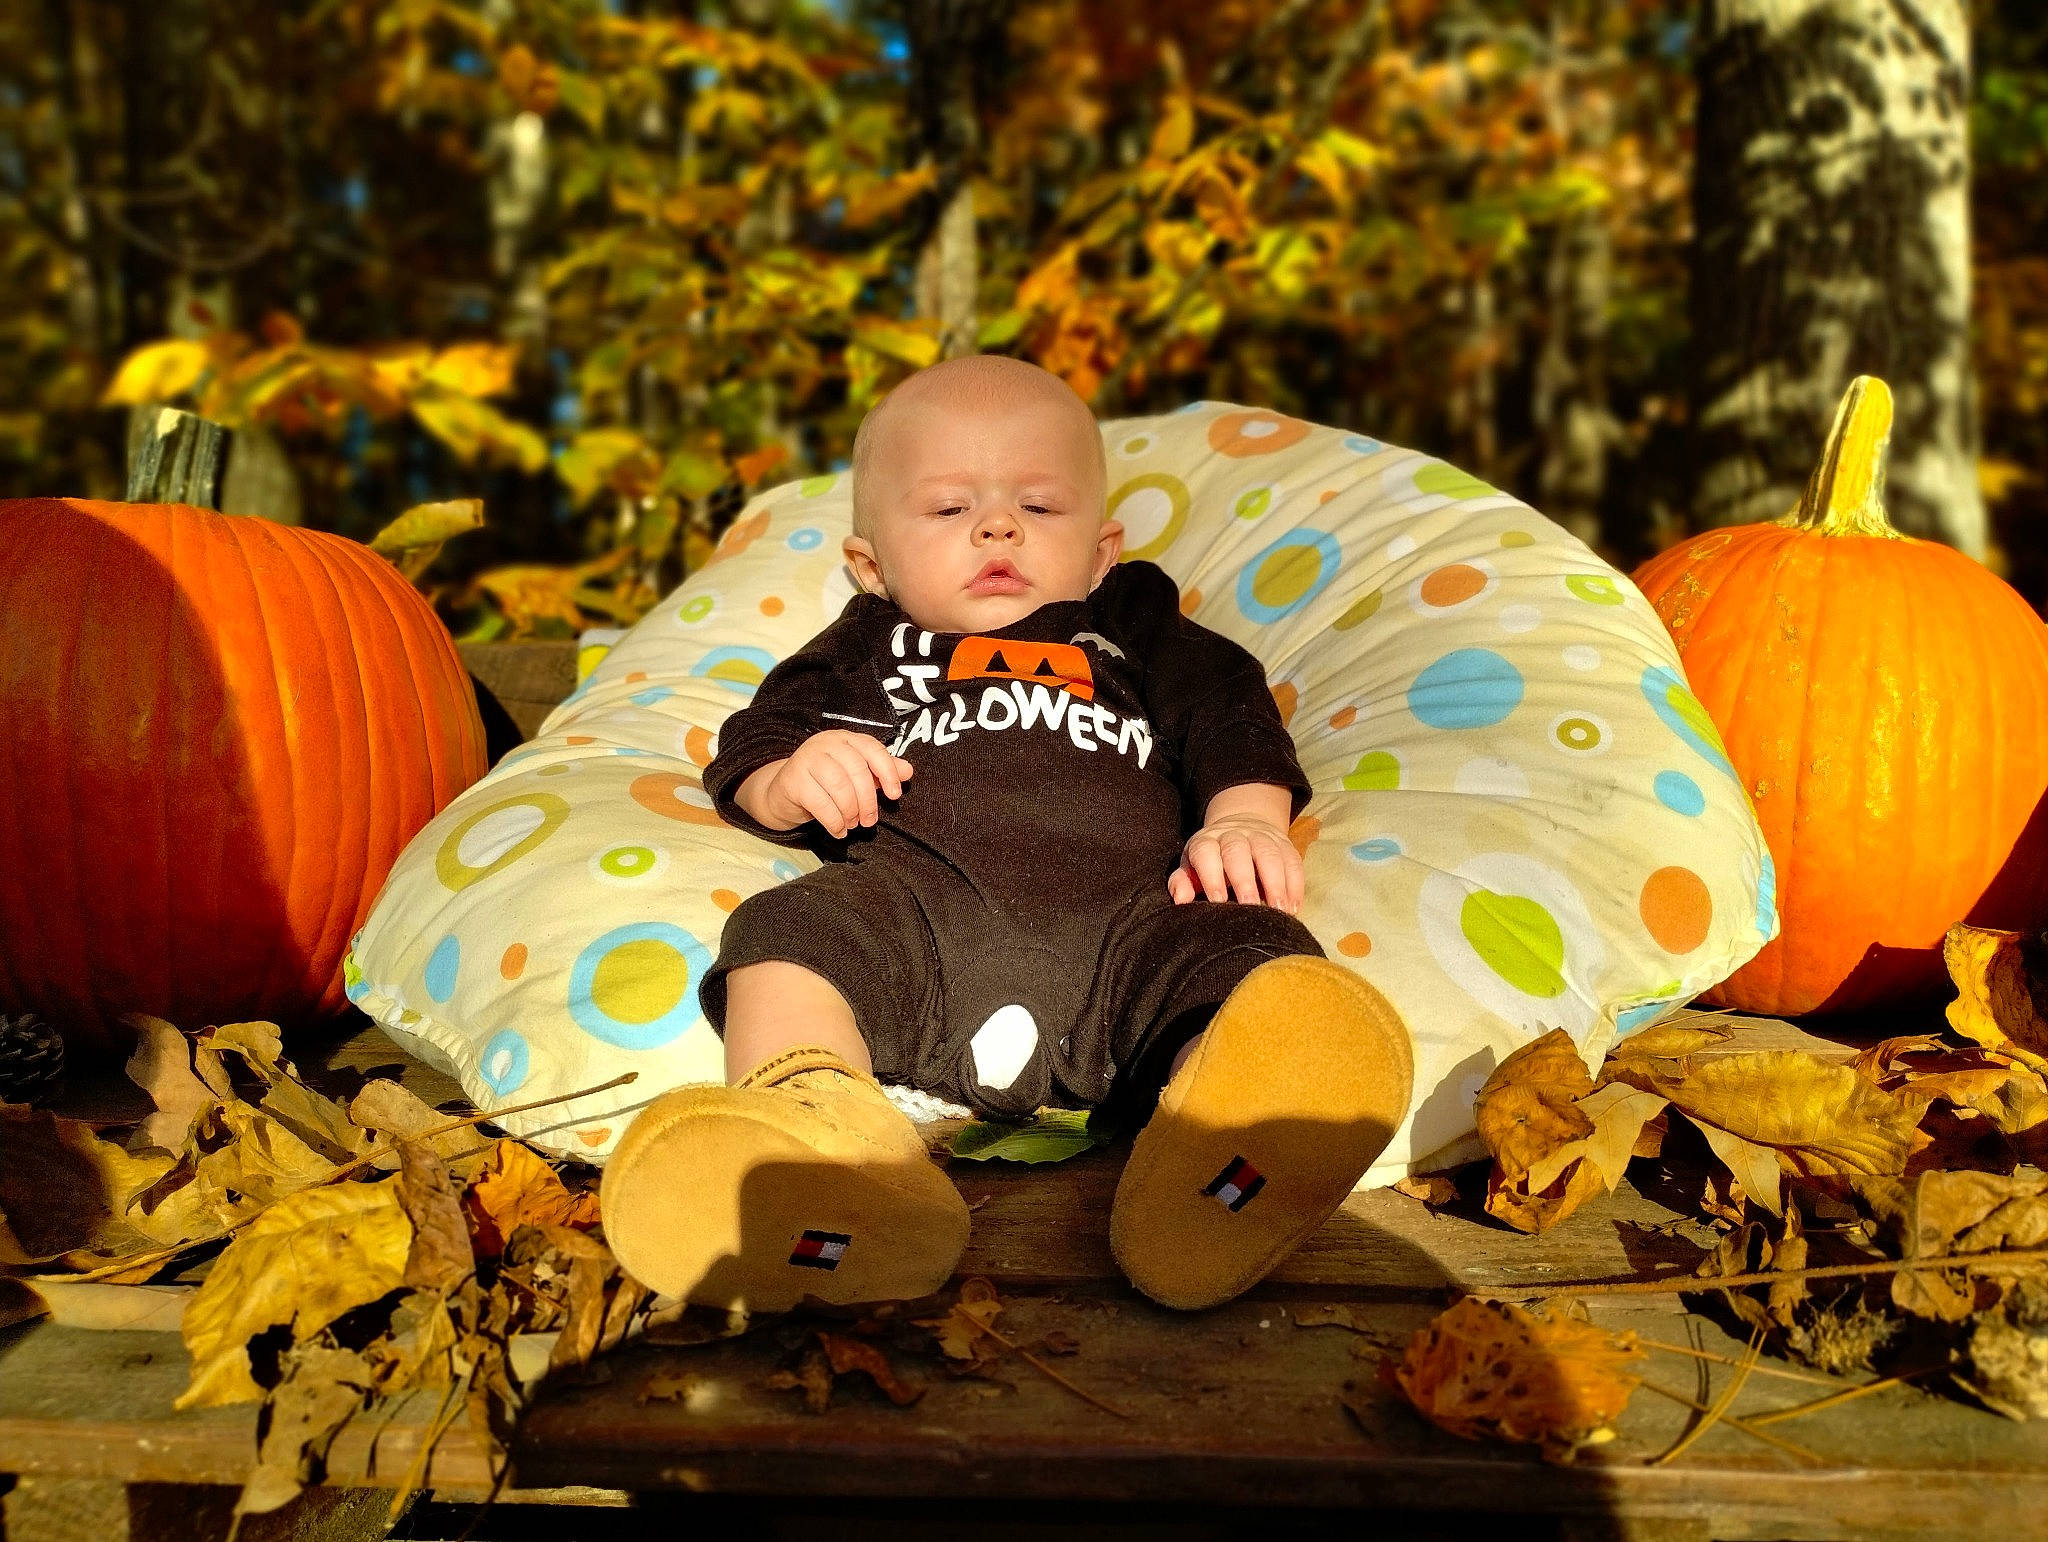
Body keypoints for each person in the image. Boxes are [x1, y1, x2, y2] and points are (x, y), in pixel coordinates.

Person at [601, 356, 1413, 1312]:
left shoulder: (1129, 629)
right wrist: (791, 779)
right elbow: (756, 743)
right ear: (873, 565)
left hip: (1133, 930)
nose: (998, 526)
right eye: (948, 510)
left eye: (1039, 505)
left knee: (1252, 954)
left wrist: (1241, 816)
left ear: (1102, 553)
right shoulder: (869, 646)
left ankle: (1221, 1160)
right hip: (913, 918)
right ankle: (820, 1141)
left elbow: (1225, 713)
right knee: (782, 938)